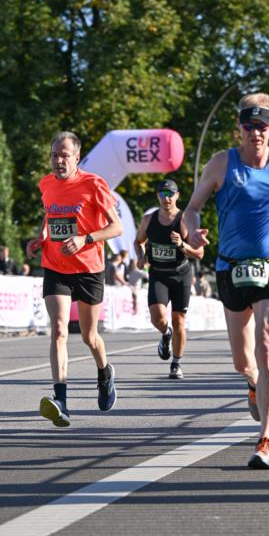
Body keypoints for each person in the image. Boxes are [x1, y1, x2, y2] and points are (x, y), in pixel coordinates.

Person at [183, 92, 269, 469]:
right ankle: (253, 383)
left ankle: (267, 440)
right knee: (243, 360)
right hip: (230, 267)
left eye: (262, 125)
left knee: (266, 344)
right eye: (249, 125)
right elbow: (191, 210)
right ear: (239, 126)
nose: (255, 133)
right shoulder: (221, 163)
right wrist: (192, 233)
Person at [26, 131, 122, 426]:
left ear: (77, 157)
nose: (58, 160)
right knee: (58, 329)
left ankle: (104, 373)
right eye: (55, 155)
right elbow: (49, 216)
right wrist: (41, 237)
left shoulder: (93, 184)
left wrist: (85, 239)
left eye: (64, 155)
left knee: (90, 336)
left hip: (89, 268)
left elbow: (116, 228)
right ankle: (61, 401)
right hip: (55, 265)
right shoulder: (46, 184)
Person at [135, 179, 204, 380]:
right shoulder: (149, 220)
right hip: (158, 273)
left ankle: (176, 363)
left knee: (179, 319)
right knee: (158, 318)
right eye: (163, 194)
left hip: (180, 274)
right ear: (158, 196)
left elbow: (199, 253)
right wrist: (140, 257)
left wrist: (182, 245)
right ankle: (166, 333)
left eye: (170, 194)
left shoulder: (185, 220)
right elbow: (138, 241)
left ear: (177, 195)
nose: (167, 198)